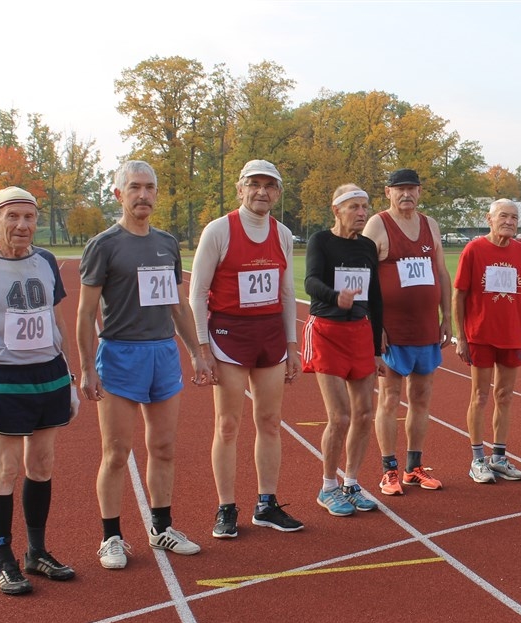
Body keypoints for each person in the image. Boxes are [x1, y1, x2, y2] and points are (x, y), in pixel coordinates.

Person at [77, 160, 209, 569]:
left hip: (162, 354)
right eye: (135, 187)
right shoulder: (104, 245)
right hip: (120, 354)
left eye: (150, 187)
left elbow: (177, 305)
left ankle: (161, 528)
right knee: (116, 452)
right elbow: (84, 314)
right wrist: (86, 367)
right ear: (119, 194)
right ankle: (111, 537)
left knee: (164, 448)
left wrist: (196, 351)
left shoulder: (167, 243)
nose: (143, 195)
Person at [0, 187, 79, 595]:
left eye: (29, 217)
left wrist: (71, 378)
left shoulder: (44, 260)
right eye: (13, 216)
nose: (23, 225)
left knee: (42, 464)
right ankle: (2, 559)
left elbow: (57, 324)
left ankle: (36, 552)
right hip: (6, 377)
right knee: (6, 469)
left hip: (51, 376)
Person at [189, 160, 303, 539]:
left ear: (278, 193)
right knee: (227, 424)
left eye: (269, 186)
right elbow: (197, 292)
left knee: (270, 422)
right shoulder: (219, 230)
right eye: (254, 184)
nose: (261, 192)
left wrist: (292, 346)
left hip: (269, 335)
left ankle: (266, 504)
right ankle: (226, 507)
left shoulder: (282, 233)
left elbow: (287, 293)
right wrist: (202, 348)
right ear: (240, 189)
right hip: (229, 334)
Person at [361, 169, 452, 495]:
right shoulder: (378, 224)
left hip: (426, 327)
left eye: (412, 188)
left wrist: (448, 316)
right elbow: (366, 275)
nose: (406, 194)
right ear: (388, 192)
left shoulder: (430, 225)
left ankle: (414, 467)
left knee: (421, 398)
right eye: (399, 189)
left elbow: (441, 272)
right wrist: (375, 326)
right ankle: (389, 470)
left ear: (419, 191)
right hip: (392, 330)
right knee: (389, 398)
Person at [303, 184, 385, 515]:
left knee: (364, 414)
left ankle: (351, 482)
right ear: (337, 210)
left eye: (365, 207)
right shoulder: (321, 241)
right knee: (339, 416)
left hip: (360, 333)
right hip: (327, 331)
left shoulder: (366, 246)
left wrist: (377, 347)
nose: (362, 213)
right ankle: (328, 487)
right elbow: (310, 282)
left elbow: (376, 297)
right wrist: (335, 296)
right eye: (354, 207)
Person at [454, 199, 521, 484]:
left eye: (514, 217)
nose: (509, 221)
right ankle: (477, 459)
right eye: (503, 216)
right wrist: (461, 336)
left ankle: (498, 457)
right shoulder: (473, 250)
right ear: (489, 218)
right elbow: (459, 295)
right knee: (480, 395)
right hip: (480, 335)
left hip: (511, 336)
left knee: (505, 396)